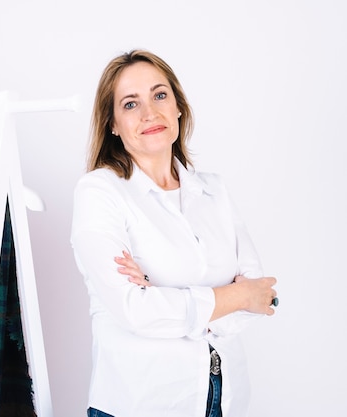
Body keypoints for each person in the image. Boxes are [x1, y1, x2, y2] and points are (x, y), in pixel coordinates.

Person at [70, 49, 278, 417]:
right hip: (142, 404)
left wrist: (164, 294)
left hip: (226, 402)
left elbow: (261, 300)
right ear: (112, 124)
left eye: (160, 95)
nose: (150, 112)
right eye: (131, 104)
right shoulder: (100, 192)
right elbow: (135, 311)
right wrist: (235, 294)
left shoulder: (215, 191)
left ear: (179, 107)